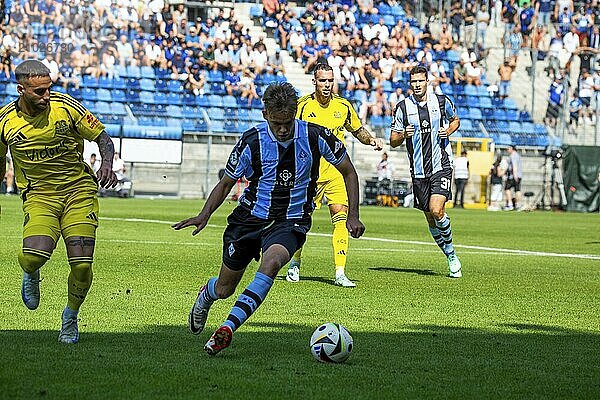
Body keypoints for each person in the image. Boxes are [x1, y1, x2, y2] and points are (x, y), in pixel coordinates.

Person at [172, 82, 365, 356]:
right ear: (265, 115)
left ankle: (227, 329)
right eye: (277, 123)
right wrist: (204, 215)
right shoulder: (252, 141)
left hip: (291, 221)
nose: (283, 129)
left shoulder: (316, 136)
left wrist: (353, 215)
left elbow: (349, 171)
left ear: (295, 113)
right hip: (249, 219)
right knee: (225, 288)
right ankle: (208, 293)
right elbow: (227, 183)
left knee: (272, 263)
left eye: (287, 122)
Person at [0, 60, 117, 343]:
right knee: (32, 257)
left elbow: (103, 138)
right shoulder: (4, 121)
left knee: (81, 265)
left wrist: (106, 163)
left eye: (48, 89)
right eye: (39, 91)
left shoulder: (65, 107)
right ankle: (31, 274)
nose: (46, 96)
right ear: (21, 89)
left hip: (79, 192)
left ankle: (70, 317)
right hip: (40, 196)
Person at [286, 63, 384, 287]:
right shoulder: (302, 107)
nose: (327, 85)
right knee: (302, 220)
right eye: (323, 81)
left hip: (336, 173)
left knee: (340, 218)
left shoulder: (343, 106)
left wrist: (371, 140)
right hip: (307, 175)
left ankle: (340, 272)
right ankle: (295, 262)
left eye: (330, 80)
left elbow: (356, 129)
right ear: (314, 82)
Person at [389, 66, 462, 278]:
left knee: (437, 209)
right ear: (410, 84)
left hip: (441, 165)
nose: (417, 85)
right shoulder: (402, 108)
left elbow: (456, 120)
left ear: (427, 81)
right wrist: (403, 135)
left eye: (421, 81)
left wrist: (447, 130)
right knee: (430, 218)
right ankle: (448, 253)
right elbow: (393, 141)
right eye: (413, 82)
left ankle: (452, 255)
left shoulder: (441, 102)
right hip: (419, 171)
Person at [504, 144, 522, 210]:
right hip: (518, 175)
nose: (507, 150)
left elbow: (514, 166)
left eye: (508, 148)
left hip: (513, 176)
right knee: (517, 190)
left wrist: (515, 175)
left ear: (512, 148)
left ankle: (510, 204)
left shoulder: (513, 155)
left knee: (507, 189)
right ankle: (518, 205)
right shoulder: (518, 155)